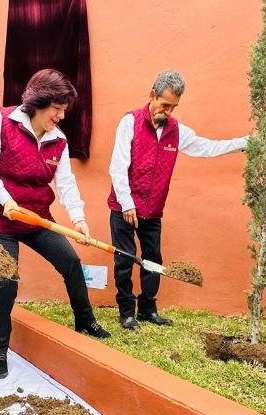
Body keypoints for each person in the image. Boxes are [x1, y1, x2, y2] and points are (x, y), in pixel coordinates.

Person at [0, 68, 110, 379]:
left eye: (65, 110)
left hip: (36, 217)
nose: (62, 116)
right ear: (39, 102)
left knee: (71, 262)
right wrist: (5, 200)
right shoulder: (2, 122)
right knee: (5, 278)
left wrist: (79, 219)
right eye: (58, 109)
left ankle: (85, 320)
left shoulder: (58, 140)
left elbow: (66, 184)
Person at [107, 70, 249, 330]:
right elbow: (118, 166)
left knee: (153, 260)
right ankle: (127, 313)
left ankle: (148, 309)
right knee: (125, 260)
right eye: (165, 105)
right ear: (152, 95)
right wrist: (127, 203)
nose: (168, 111)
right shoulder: (130, 122)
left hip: (153, 210)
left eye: (173, 107)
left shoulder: (176, 130)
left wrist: (243, 142)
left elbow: (207, 147)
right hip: (124, 208)